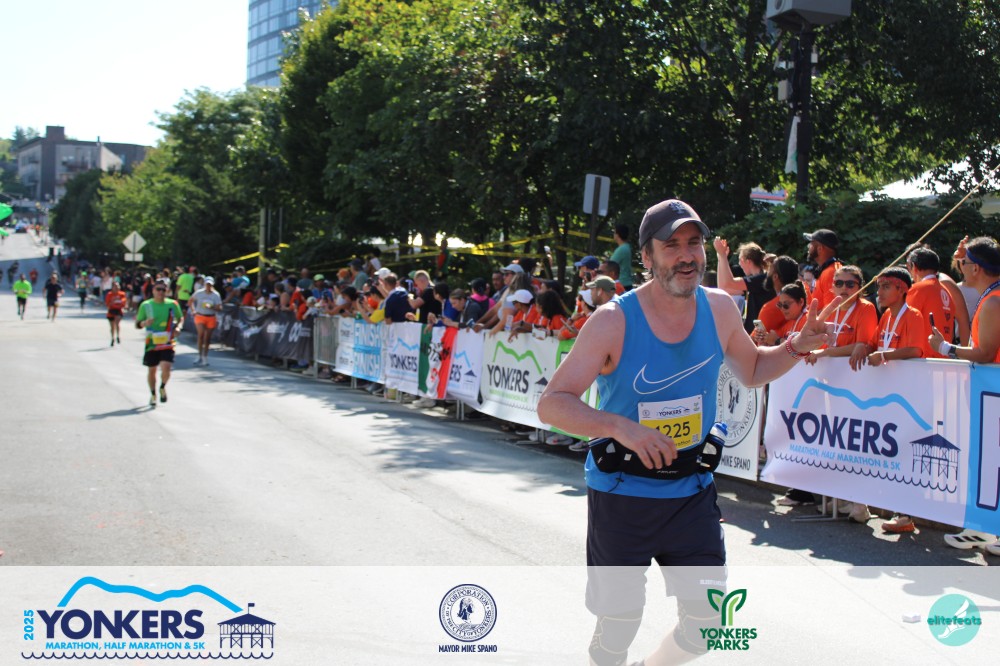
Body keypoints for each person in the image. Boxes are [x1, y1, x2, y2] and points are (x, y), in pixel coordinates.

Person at [537, 199, 837, 666]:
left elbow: (752, 370)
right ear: (646, 256)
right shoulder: (613, 320)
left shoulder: (719, 308)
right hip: (622, 494)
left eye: (694, 243)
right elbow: (552, 403)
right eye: (671, 245)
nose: (686, 255)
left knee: (707, 625)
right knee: (618, 628)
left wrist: (796, 346)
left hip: (690, 492)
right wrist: (619, 427)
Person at [850, 265, 930, 534]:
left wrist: (884, 355)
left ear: (902, 289)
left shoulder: (913, 315)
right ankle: (889, 507)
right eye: (879, 287)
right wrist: (862, 346)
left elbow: (916, 349)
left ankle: (905, 515)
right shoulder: (885, 316)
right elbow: (873, 343)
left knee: (905, 451)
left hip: (907, 396)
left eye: (886, 287)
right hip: (886, 396)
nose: (880, 292)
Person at [136, 279, 183, 406]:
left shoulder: (172, 304)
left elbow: (180, 318)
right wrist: (145, 323)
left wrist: (178, 327)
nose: (161, 292)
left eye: (163, 289)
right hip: (152, 342)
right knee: (152, 370)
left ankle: (162, 387)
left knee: (166, 367)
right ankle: (153, 394)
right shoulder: (146, 305)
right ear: (153, 291)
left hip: (167, 341)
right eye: (158, 289)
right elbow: (137, 324)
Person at [713, 238, 772, 333]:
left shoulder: (762, 278)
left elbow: (729, 283)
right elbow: (724, 288)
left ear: (748, 261)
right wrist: (720, 258)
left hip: (762, 333)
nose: (739, 264)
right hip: (753, 332)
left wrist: (723, 256)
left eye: (740, 260)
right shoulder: (753, 281)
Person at [803, 228, 842, 309]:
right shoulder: (828, 269)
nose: (808, 247)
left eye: (811, 244)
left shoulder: (831, 273)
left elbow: (831, 309)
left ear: (820, 249)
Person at [188, 276, 223, 366]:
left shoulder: (216, 295)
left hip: (211, 317)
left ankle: (205, 356)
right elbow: (190, 301)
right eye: (207, 284)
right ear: (204, 284)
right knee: (201, 334)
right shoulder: (199, 293)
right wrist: (193, 311)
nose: (208, 286)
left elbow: (219, 307)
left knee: (207, 338)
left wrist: (212, 307)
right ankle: (199, 355)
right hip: (200, 315)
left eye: (210, 285)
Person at [609, 223, 634, 290]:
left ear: (618, 234)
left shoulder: (622, 249)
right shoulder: (626, 247)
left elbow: (610, 265)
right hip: (625, 283)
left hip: (622, 284)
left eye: (614, 232)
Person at [105, 280, 127, 345]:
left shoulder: (122, 294)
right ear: (112, 287)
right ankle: (112, 338)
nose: (117, 288)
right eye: (115, 286)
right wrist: (113, 302)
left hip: (118, 310)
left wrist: (120, 303)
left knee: (117, 322)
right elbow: (107, 303)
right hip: (111, 310)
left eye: (118, 286)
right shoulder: (109, 294)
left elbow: (123, 302)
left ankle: (118, 336)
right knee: (112, 326)